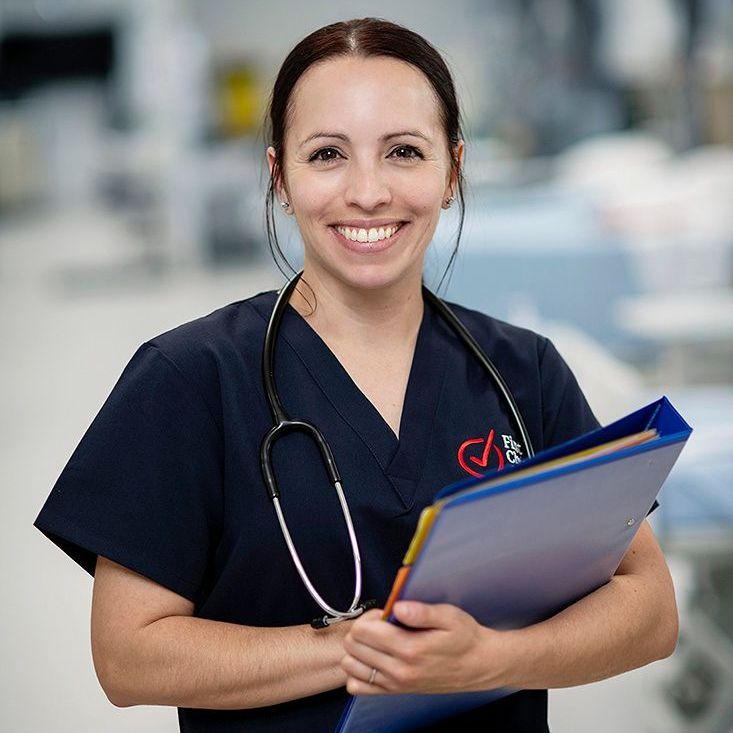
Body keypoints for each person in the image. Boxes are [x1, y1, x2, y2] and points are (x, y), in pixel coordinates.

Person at [33, 17, 678, 733]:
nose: (367, 192)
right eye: (327, 155)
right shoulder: (187, 378)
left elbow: (647, 607)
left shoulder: (522, 371)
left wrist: (493, 657)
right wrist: (359, 651)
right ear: (280, 177)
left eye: (403, 151)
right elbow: (128, 655)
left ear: (452, 172)